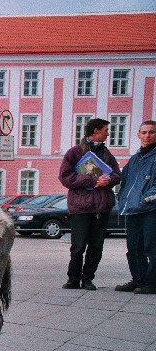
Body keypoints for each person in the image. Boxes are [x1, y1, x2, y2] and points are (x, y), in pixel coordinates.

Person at [58, 118, 121, 290]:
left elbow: (117, 174)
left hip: (102, 206)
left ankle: (88, 278)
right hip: (81, 207)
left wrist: (109, 180)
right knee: (78, 246)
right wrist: (92, 180)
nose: (108, 133)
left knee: (96, 246)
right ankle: (73, 279)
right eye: (106, 130)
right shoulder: (75, 152)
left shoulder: (107, 154)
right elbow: (65, 177)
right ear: (95, 131)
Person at [115, 120, 156, 294]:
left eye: (152, 132)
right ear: (138, 135)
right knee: (133, 248)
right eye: (144, 132)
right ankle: (138, 280)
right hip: (132, 209)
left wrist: (146, 199)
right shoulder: (134, 159)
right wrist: (123, 198)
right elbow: (125, 182)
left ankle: (151, 282)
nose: (147, 136)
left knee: (151, 247)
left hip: (150, 209)